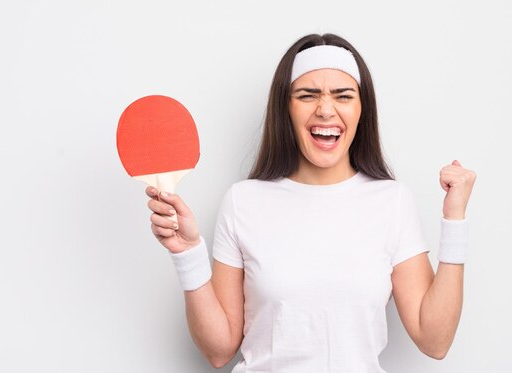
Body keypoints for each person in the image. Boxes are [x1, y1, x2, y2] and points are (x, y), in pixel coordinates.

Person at [145, 33, 476, 372]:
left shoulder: (392, 202)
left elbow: (435, 341)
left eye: (343, 96)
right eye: (308, 95)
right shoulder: (244, 201)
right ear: (286, 108)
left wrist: (455, 222)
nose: (326, 109)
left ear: (362, 109)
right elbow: (218, 351)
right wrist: (187, 253)